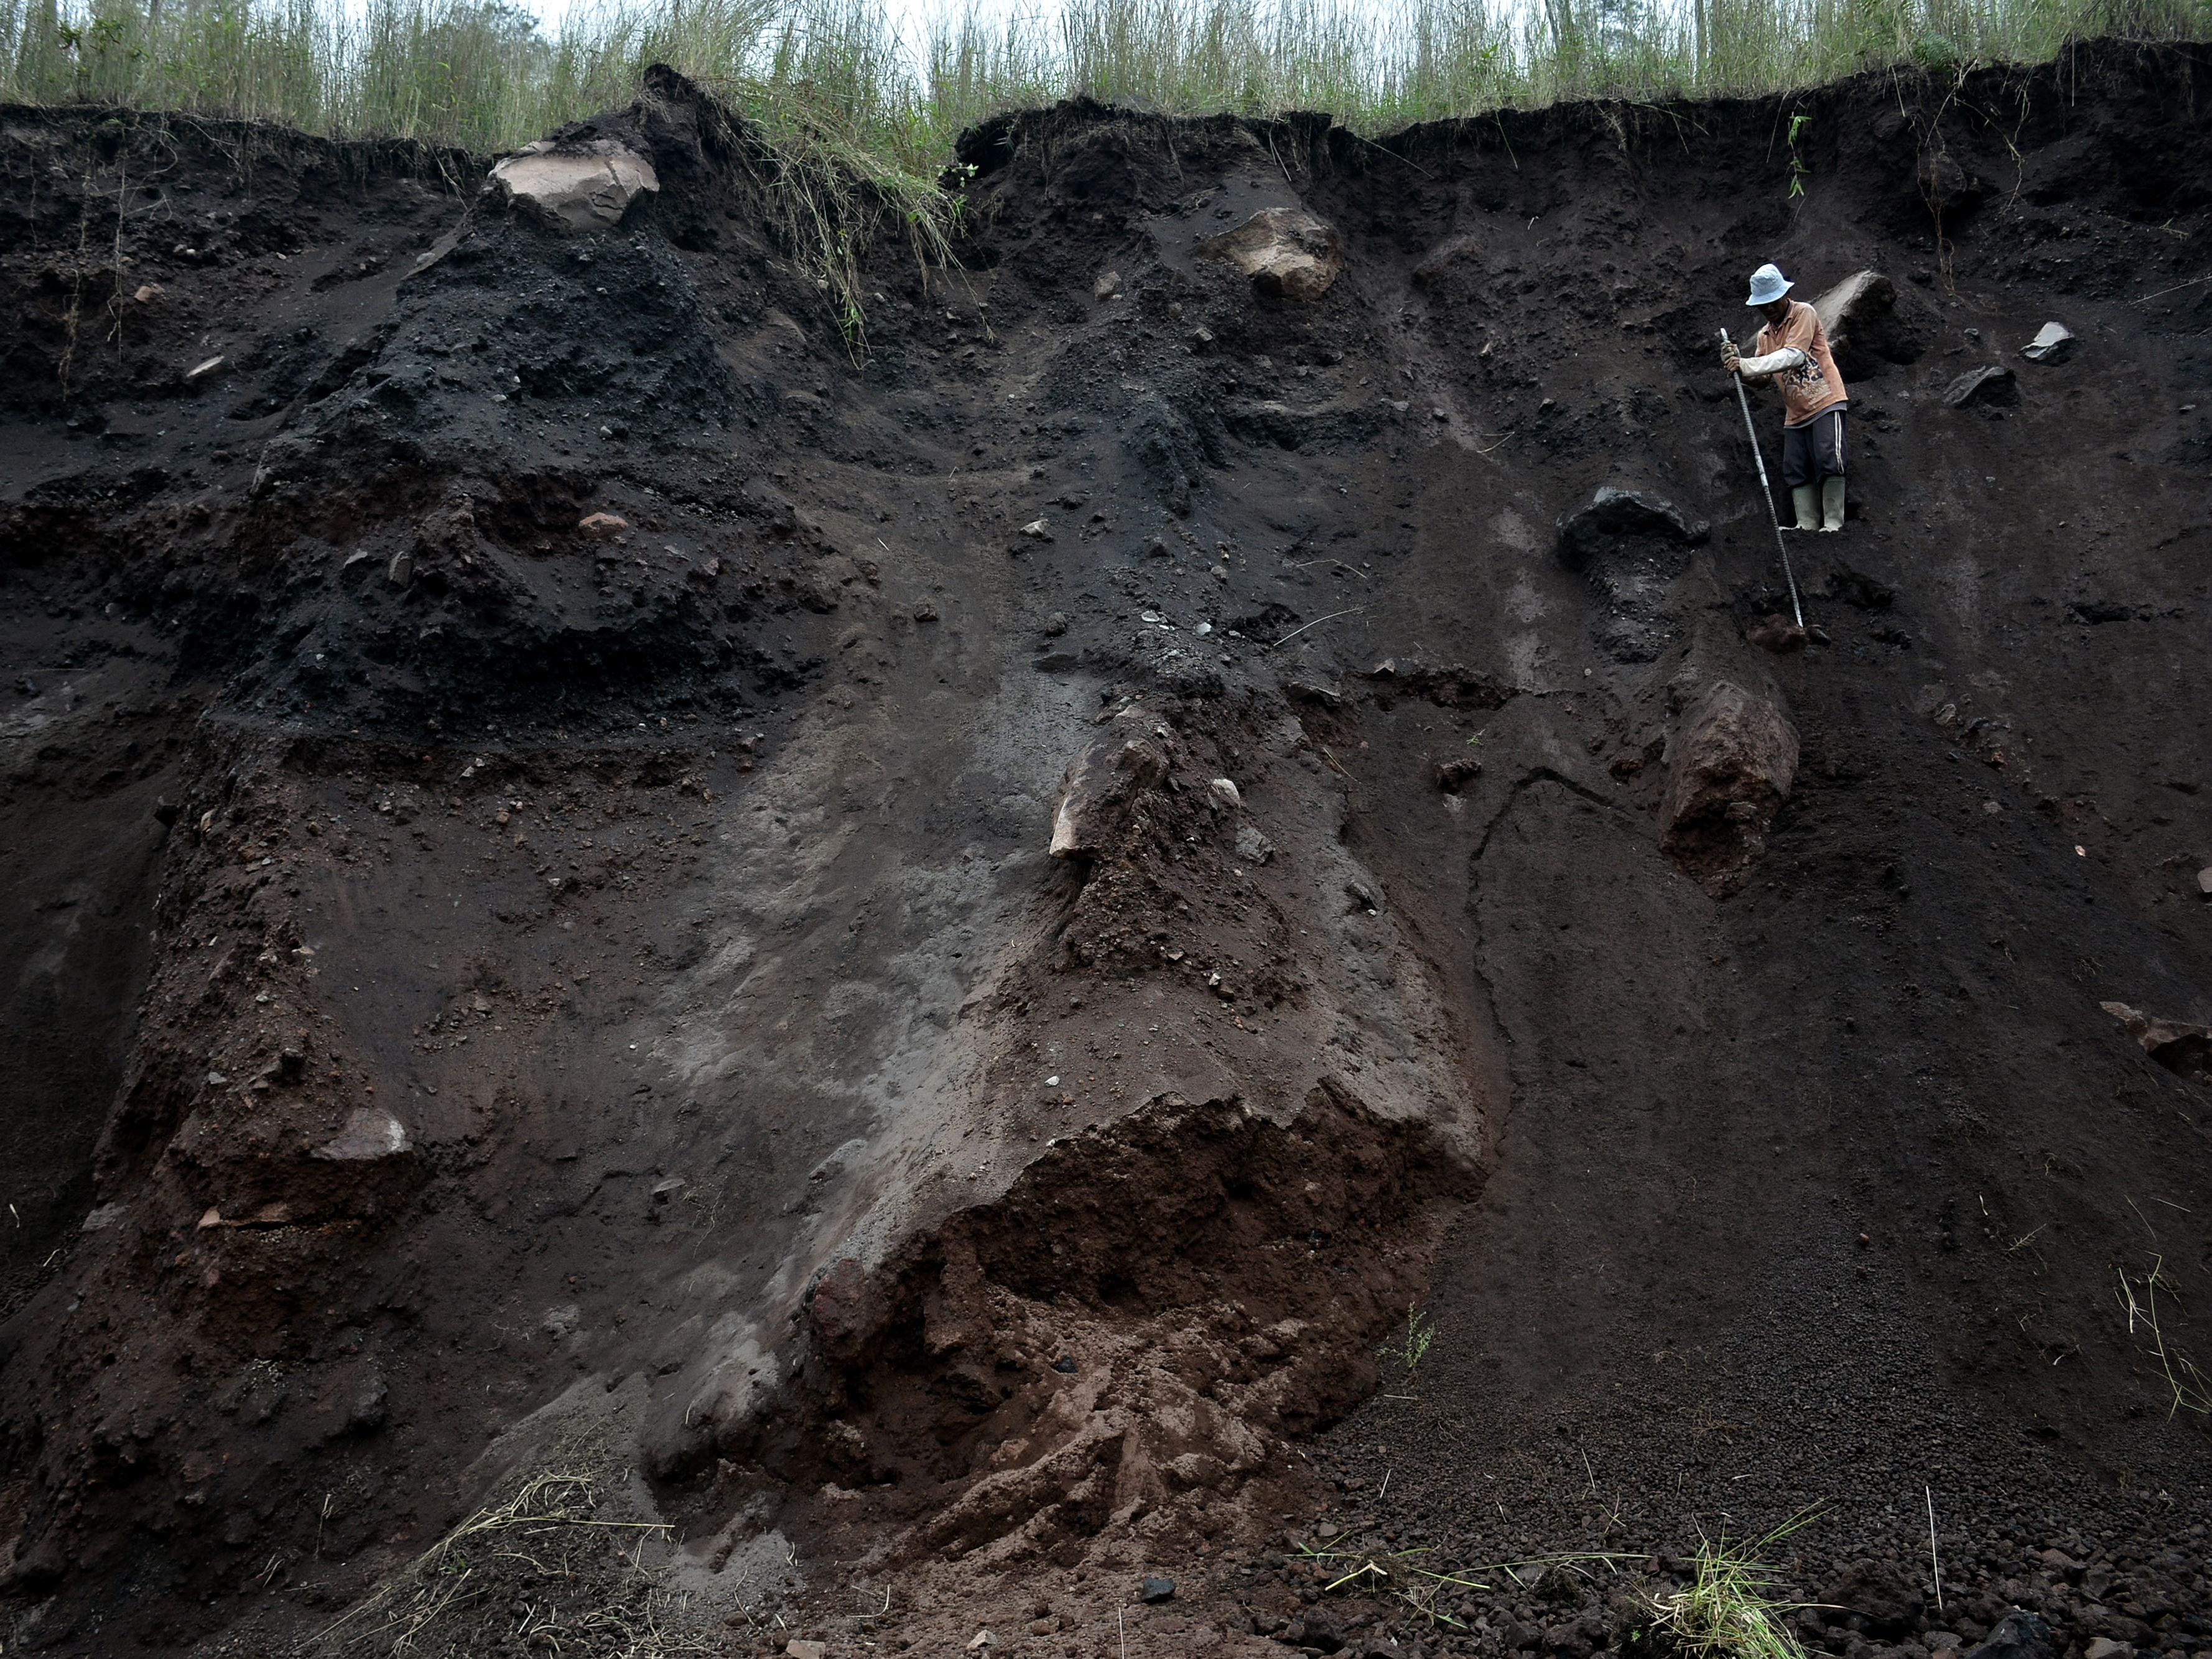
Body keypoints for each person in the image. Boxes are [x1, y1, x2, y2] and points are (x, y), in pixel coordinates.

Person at [1721, 263, 1848, 532]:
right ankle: (1807, 523)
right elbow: (1761, 379)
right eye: (1763, 305)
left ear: (1784, 295)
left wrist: (1747, 365)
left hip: (1825, 400)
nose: (1769, 309)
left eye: (1773, 302)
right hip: (1796, 412)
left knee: (1828, 456)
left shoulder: (1804, 313)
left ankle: (1834, 523)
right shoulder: (1764, 336)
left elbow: (1794, 355)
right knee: (1795, 466)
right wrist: (1738, 368)